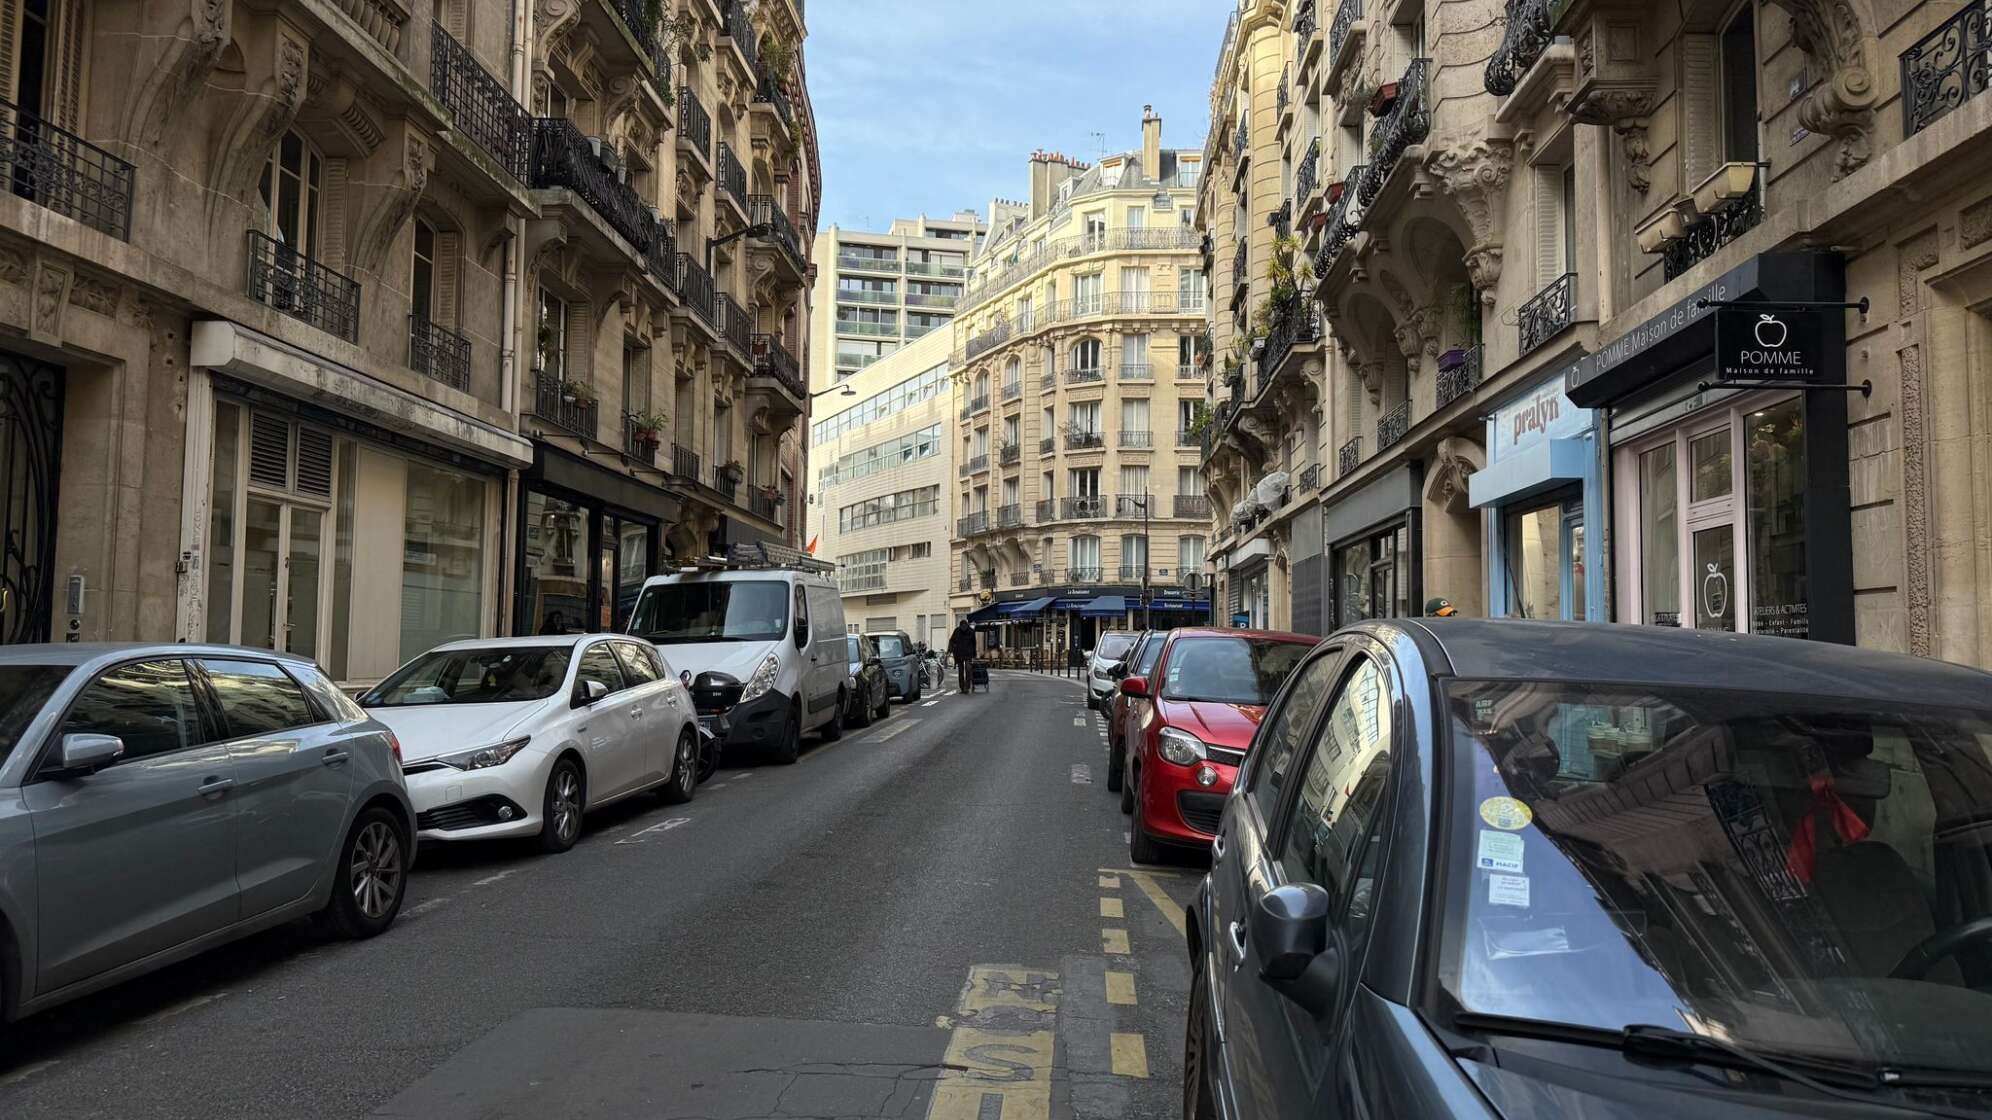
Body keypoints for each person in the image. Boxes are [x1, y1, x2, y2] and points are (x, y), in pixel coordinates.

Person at [948, 619, 977, 693]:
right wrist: (951, 650)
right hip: (960, 653)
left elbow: (974, 643)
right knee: (964, 671)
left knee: (966, 670)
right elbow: (951, 640)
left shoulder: (968, 631)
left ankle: (966, 687)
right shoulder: (959, 631)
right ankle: (964, 687)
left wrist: (950, 650)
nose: (963, 628)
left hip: (965, 653)